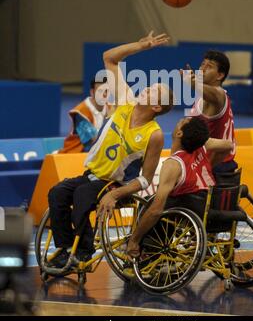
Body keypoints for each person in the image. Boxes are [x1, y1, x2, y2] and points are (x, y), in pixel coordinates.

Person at [48, 32, 174, 267]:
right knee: (57, 193)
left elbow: (145, 179)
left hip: (114, 183)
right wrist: (142, 45)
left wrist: (116, 194)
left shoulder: (154, 134)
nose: (146, 88)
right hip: (91, 176)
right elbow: (109, 59)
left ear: (157, 106)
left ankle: (83, 252)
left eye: (153, 90)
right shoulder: (125, 101)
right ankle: (65, 248)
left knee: (82, 195)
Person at [126, 116, 233, 259]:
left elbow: (156, 210)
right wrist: (209, 161)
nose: (180, 120)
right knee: (165, 202)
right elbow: (229, 145)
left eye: (182, 122)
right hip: (213, 207)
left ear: (179, 133)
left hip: (193, 211)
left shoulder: (173, 165)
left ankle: (148, 250)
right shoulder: (201, 147)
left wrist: (134, 239)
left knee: (150, 205)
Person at [182, 50, 237, 174]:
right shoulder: (201, 96)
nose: (202, 69)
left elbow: (215, 95)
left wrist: (193, 83)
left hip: (218, 167)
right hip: (203, 162)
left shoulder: (219, 96)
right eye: (202, 64)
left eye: (209, 66)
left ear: (219, 76)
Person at [59, 76, 112, 153]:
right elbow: (93, 140)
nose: (104, 94)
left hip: (98, 153)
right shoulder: (80, 113)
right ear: (92, 92)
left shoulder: (110, 108)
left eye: (106, 91)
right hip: (74, 154)